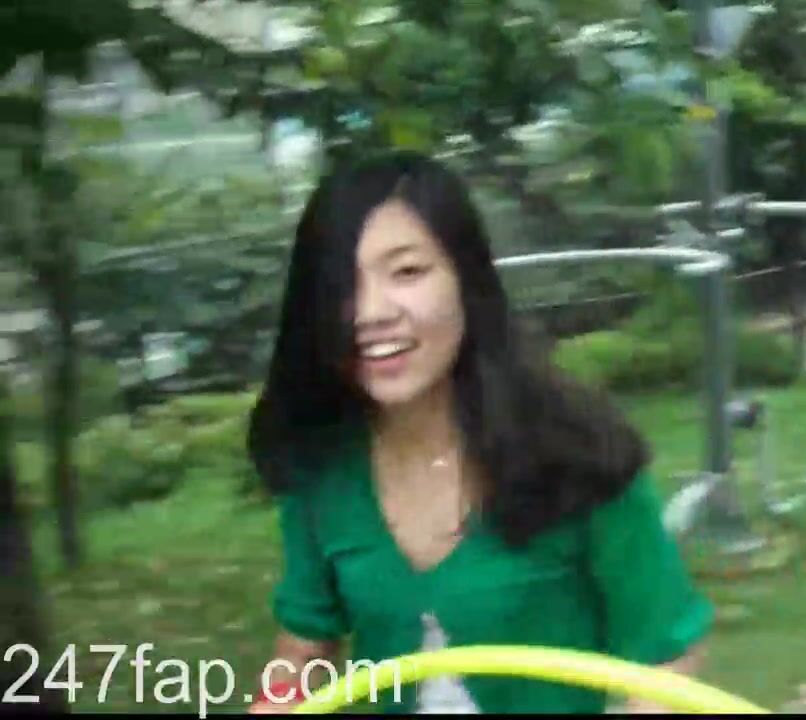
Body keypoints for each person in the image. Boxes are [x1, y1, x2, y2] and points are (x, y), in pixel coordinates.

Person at [244, 151, 713, 714]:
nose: (369, 312)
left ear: (466, 280)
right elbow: (302, 655)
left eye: (407, 272)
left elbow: (664, 654)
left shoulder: (580, 456)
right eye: (340, 284)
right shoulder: (321, 469)